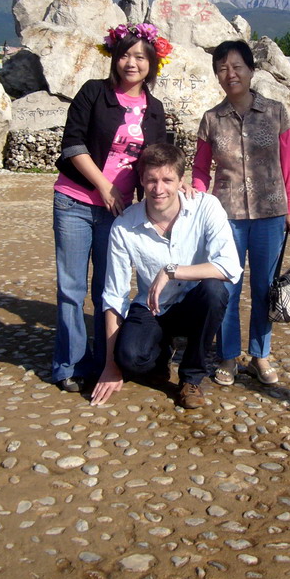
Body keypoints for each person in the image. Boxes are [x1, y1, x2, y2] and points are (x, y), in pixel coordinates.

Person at [51, 22, 172, 392]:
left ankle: (107, 360)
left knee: (108, 288)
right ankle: (69, 364)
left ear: (152, 62)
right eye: (125, 55)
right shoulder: (93, 93)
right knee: (71, 287)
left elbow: (159, 160)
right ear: (114, 59)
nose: (131, 63)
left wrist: (178, 189)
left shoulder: (155, 109)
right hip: (75, 200)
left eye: (139, 56)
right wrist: (103, 185)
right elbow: (72, 145)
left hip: (119, 212)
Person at [91, 143, 242, 409]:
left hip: (194, 302)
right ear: (141, 180)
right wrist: (110, 365)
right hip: (152, 306)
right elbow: (114, 296)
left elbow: (230, 267)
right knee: (130, 359)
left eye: (167, 180)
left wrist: (172, 271)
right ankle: (161, 352)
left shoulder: (206, 207)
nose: (159, 189)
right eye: (151, 180)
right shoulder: (125, 225)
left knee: (214, 291)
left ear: (181, 180)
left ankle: (191, 377)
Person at [192, 39, 290, 386]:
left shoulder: (276, 112)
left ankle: (260, 355)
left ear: (251, 70)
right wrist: (193, 197)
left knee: (265, 287)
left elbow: (289, 167)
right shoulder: (211, 120)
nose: (230, 73)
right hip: (226, 217)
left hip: (271, 214)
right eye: (222, 68)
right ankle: (227, 356)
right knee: (227, 286)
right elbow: (200, 170)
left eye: (237, 66)